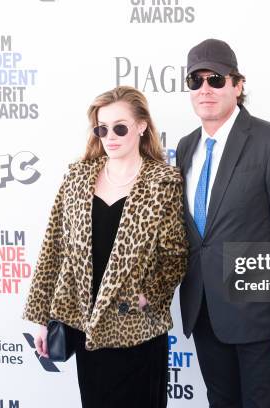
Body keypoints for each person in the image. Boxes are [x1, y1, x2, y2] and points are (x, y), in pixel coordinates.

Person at [22, 86, 188, 408]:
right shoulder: (77, 178)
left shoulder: (163, 182)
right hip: (88, 331)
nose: (110, 136)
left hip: (137, 332)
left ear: (141, 126)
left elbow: (176, 255)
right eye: (102, 129)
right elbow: (53, 248)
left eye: (120, 127)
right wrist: (42, 318)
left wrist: (148, 296)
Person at [176, 39, 270, 408]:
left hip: (260, 318)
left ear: (238, 85)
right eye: (195, 81)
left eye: (216, 79)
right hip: (204, 312)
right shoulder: (187, 147)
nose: (205, 89)